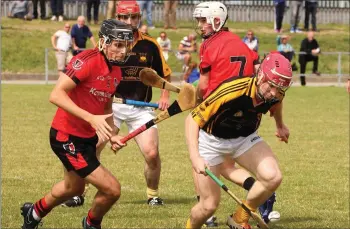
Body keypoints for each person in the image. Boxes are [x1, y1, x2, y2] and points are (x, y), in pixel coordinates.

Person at [20, 19, 133, 229]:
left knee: (73, 188)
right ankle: (91, 224)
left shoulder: (116, 72)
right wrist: (90, 118)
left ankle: (33, 213)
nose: (123, 50)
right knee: (112, 189)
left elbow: (106, 105)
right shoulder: (87, 60)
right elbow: (56, 95)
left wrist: (111, 135)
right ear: (103, 42)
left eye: (126, 45)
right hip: (66, 136)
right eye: (118, 44)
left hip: (85, 138)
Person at [64, 0, 172, 207]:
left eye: (133, 17)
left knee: (151, 153)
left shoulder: (150, 44)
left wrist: (165, 96)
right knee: (92, 147)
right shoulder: (106, 43)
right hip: (110, 106)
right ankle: (80, 192)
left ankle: (153, 195)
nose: (129, 22)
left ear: (139, 18)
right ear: (117, 18)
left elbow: (164, 74)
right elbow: (93, 70)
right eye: (124, 17)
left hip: (141, 108)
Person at [191, 2, 278, 227]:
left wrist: (194, 98)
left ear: (216, 21)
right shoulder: (242, 44)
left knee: (205, 162)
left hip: (215, 110)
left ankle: (206, 210)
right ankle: (255, 191)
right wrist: (280, 124)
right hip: (243, 110)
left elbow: (203, 86)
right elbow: (265, 81)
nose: (200, 25)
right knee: (227, 164)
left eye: (203, 20)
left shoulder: (208, 45)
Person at [185, 52, 293, 229]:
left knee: (273, 177)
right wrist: (194, 156)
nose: (274, 93)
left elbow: (277, 103)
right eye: (271, 86)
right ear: (260, 76)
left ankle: (239, 217)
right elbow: (192, 119)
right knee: (208, 206)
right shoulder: (232, 90)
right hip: (211, 142)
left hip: (245, 139)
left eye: (279, 89)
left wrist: (280, 125)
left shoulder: (275, 93)